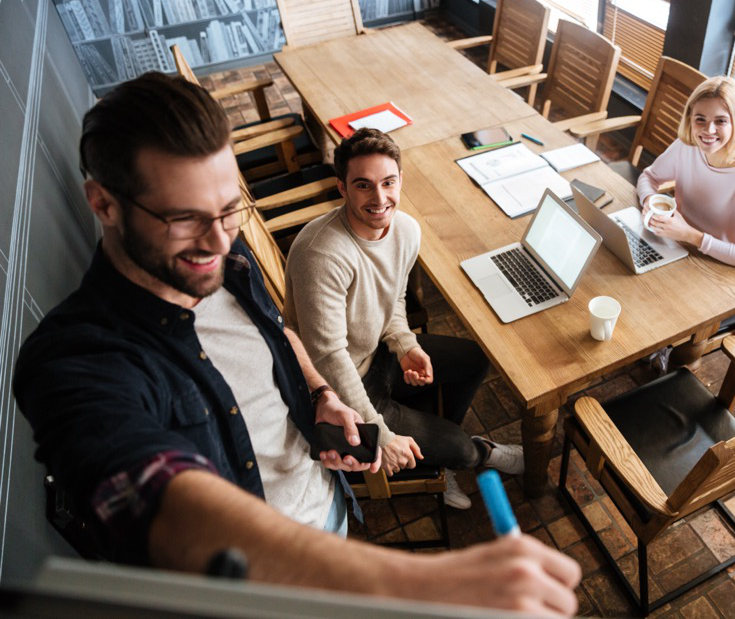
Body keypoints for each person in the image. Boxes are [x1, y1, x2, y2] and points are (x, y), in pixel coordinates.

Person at [13, 73, 580, 617]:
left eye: (229, 208)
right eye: (185, 219)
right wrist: (423, 583)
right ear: (104, 203)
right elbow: (159, 501)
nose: (217, 240)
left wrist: (318, 392)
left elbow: (278, 331)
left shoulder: (229, 266)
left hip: (330, 502)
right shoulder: (73, 359)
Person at [284, 128, 523, 511]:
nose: (379, 199)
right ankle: (471, 450)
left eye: (388, 183)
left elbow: (393, 297)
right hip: (343, 382)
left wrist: (406, 343)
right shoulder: (322, 254)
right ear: (342, 188)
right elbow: (328, 355)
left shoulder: (407, 229)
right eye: (363, 186)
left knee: (475, 359)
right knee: (462, 451)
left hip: (379, 352)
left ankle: (437, 446)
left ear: (399, 181)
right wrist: (379, 433)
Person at [637, 76, 735, 274]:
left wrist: (692, 236)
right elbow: (648, 177)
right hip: (677, 246)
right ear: (690, 118)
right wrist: (649, 199)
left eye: (721, 121)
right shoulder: (688, 145)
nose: (708, 130)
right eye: (700, 119)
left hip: (718, 268)